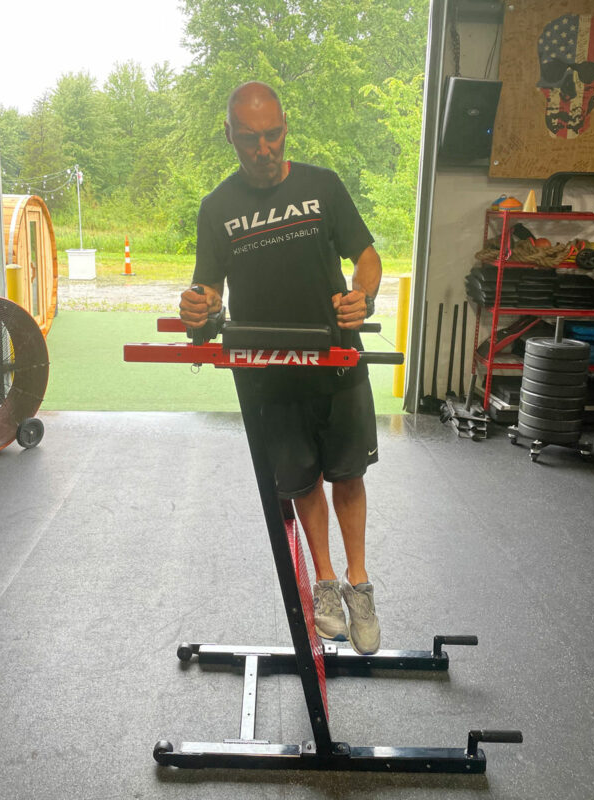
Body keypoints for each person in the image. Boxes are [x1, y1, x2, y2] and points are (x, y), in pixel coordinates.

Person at [179, 82, 383, 655]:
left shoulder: (323, 186)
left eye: (272, 136)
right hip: (268, 374)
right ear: (230, 136)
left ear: (285, 127)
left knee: (348, 474)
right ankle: (323, 581)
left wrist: (363, 295)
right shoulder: (218, 208)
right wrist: (197, 307)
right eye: (249, 140)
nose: (263, 149)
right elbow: (205, 292)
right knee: (301, 482)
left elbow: (367, 257)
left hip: (335, 360)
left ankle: (359, 581)